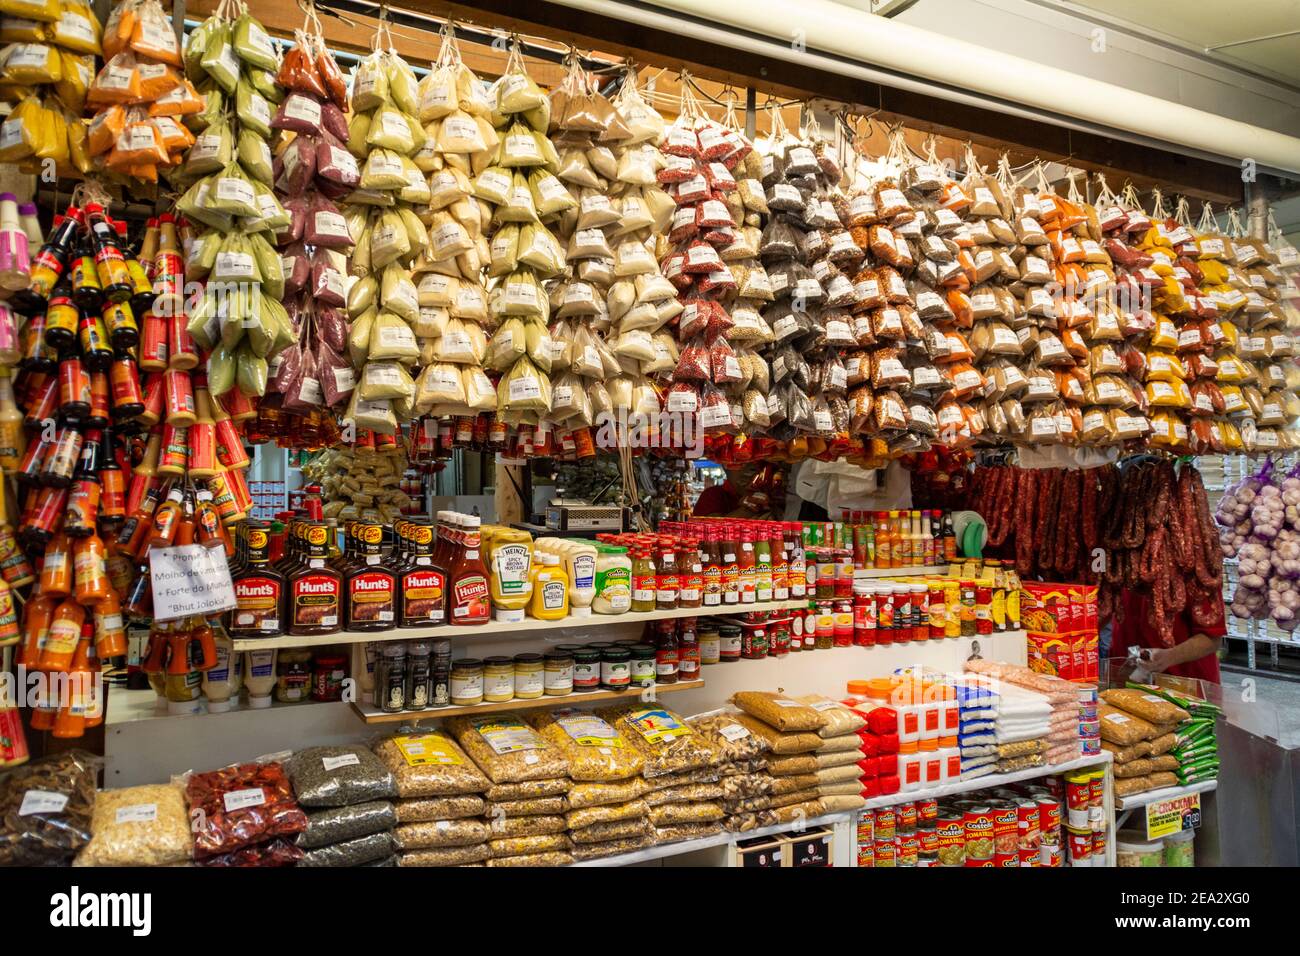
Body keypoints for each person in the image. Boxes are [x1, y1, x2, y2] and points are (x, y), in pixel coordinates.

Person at [1110, 586, 1225, 685]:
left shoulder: (1193, 568)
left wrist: (1168, 657)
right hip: (1124, 679)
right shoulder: (1121, 563)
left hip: (1184, 687)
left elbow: (1212, 639)